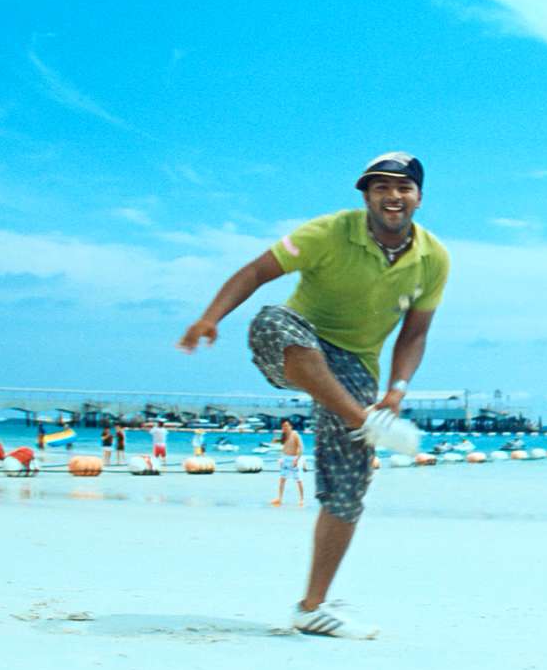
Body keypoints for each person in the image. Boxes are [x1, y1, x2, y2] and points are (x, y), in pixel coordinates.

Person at [179, 151, 447, 639]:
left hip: (355, 366)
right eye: (381, 187)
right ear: (366, 196)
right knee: (271, 320)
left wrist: (397, 389)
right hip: (296, 345)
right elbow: (256, 272)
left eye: (403, 188)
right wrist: (210, 318)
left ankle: (312, 607)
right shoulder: (327, 232)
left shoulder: (434, 259)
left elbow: (415, 333)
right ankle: (362, 421)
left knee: (349, 487)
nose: (392, 196)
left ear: (419, 197)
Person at [272, 421, 306, 508]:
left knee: (298, 480)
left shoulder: (295, 435)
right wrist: (276, 440)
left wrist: (297, 460)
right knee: (282, 479)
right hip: (285, 459)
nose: (285, 428)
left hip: (294, 459)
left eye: (286, 426)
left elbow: (301, 447)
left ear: (291, 426)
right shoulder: (284, 435)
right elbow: (285, 444)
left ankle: (302, 499)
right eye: (283, 426)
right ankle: (280, 498)